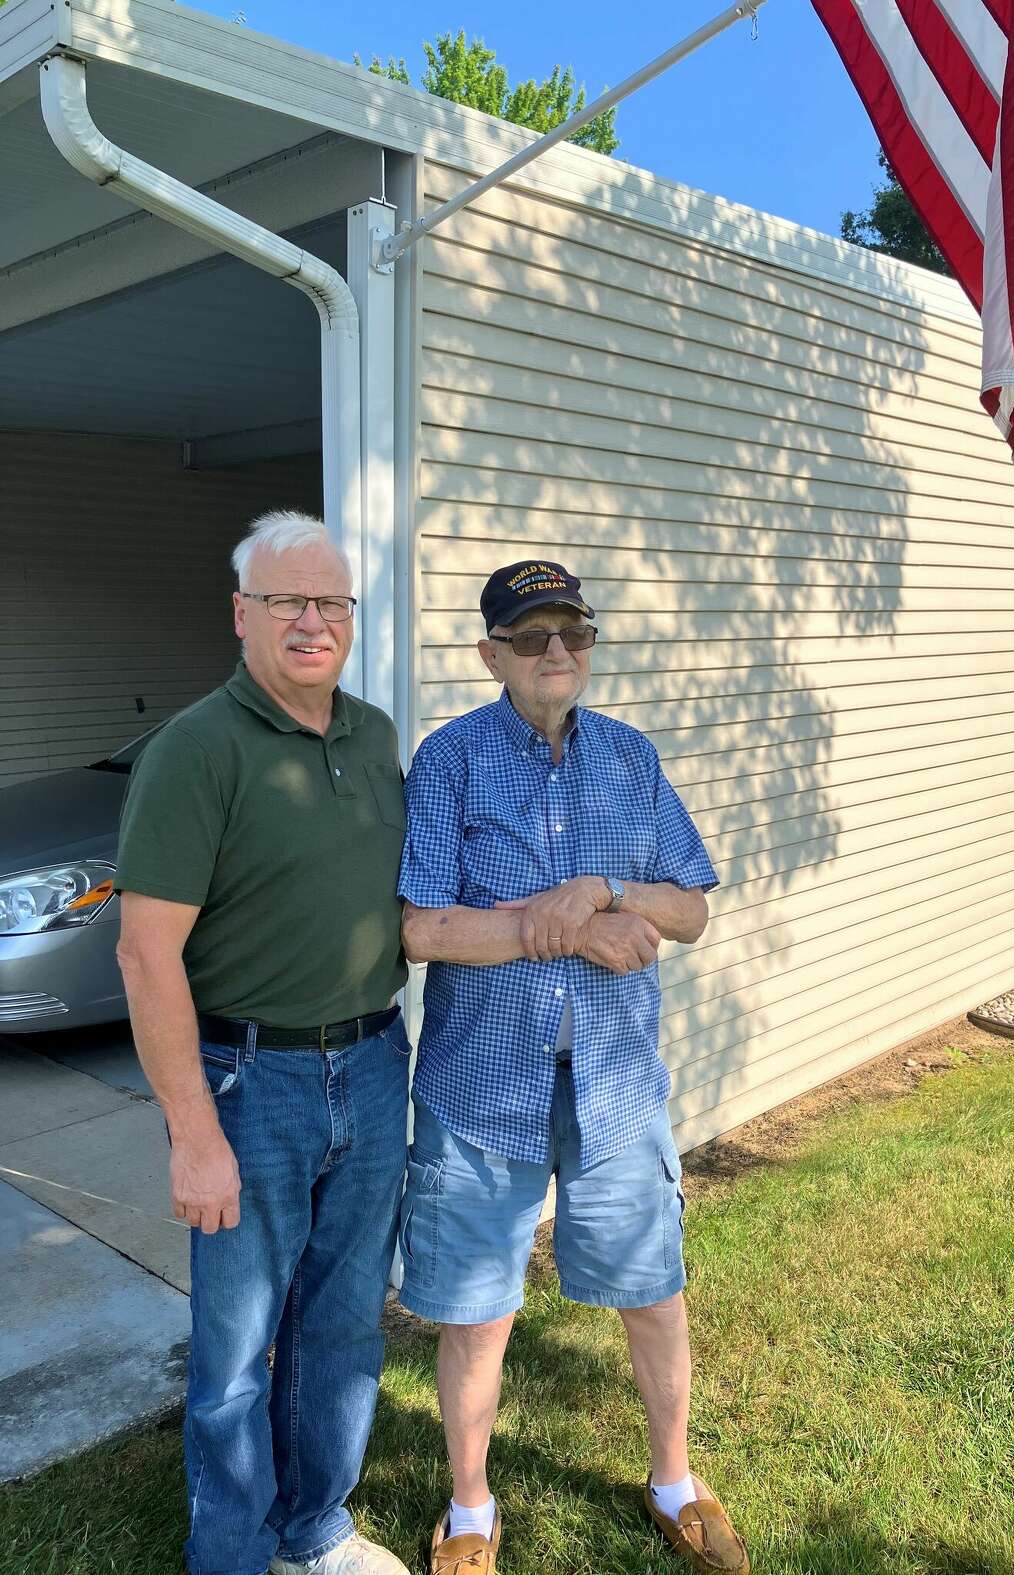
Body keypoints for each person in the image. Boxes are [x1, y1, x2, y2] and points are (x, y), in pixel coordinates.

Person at [398, 560, 750, 1575]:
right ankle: (471, 1512)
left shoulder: (631, 762)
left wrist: (601, 890)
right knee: (477, 1310)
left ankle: (675, 1481)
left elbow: (689, 909)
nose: (558, 652)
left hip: (615, 1083)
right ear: (491, 656)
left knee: (654, 1287)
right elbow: (422, 930)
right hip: (481, 1087)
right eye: (532, 635)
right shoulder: (449, 762)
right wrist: (565, 932)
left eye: (574, 633)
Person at [115, 511, 411, 1575]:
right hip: (252, 1081)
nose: (312, 620)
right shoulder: (196, 751)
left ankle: (312, 1530)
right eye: (287, 600)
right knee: (238, 1352)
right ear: (242, 615)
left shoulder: (375, 737)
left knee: (341, 1328)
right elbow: (147, 956)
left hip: (376, 1068)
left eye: (331, 601)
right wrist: (193, 1134)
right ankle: (232, 1555)